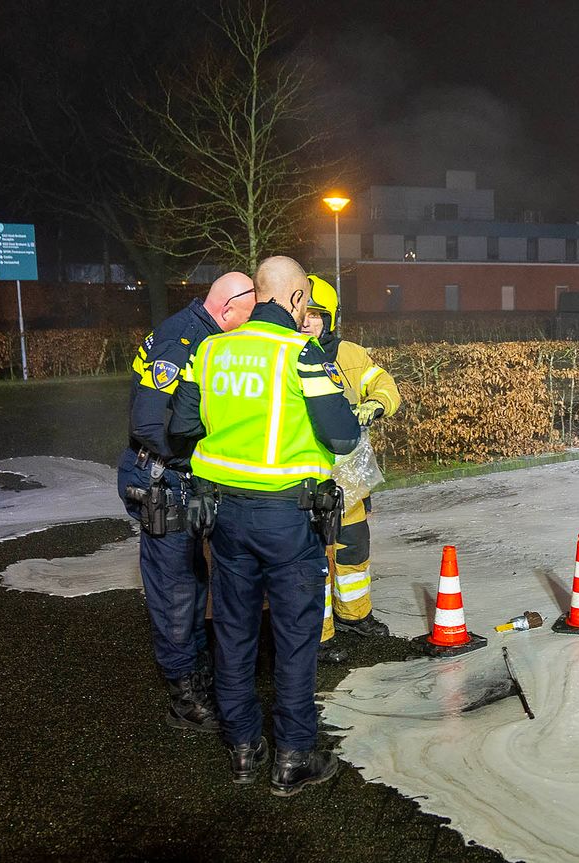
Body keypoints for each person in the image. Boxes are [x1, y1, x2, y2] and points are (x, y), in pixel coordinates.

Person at [168, 256, 360, 795]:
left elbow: (183, 429)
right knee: (295, 640)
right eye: (307, 303)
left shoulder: (210, 351)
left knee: (232, 632)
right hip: (289, 519)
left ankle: (244, 749)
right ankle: (293, 757)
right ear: (296, 299)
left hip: (224, 518)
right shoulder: (303, 355)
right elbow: (343, 437)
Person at [118, 271, 256, 733]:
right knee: (176, 590)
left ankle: (196, 672)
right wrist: (198, 454)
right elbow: (149, 422)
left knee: (194, 582)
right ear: (228, 309)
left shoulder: (203, 334)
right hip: (163, 479)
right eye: (248, 318)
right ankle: (183, 695)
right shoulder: (184, 340)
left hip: (179, 479)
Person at [302, 275, 401, 654]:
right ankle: (319, 636)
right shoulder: (285, 354)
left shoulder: (351, 356)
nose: (308, 321)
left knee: (353, 550)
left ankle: (355, 616)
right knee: (316, 560)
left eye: (316, 314)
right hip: (307, 480)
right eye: (304, 313)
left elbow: (385, 385)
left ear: (330, 318)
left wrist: (377, 403)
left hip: (349, 482)